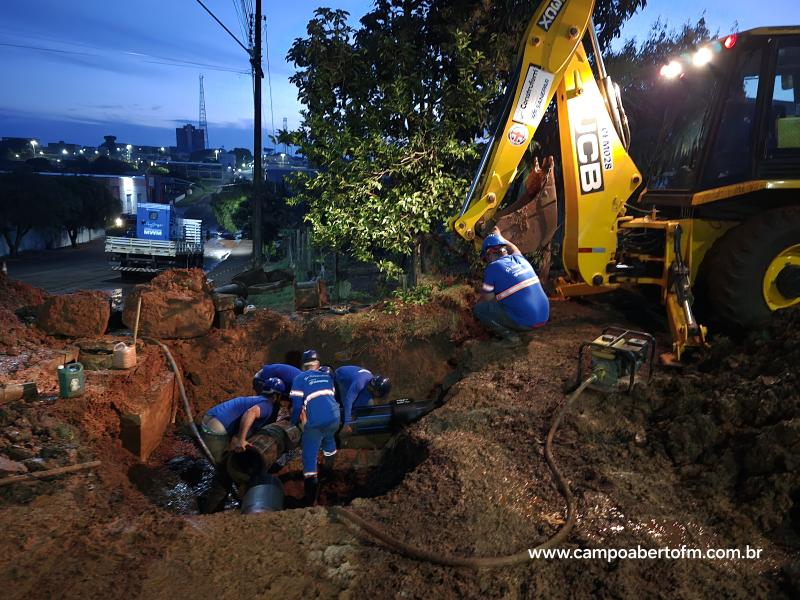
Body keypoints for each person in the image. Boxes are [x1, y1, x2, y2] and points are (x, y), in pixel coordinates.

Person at [197, 378, 286, 513]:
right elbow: (251, 412)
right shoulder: (267, 405)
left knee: (227, 465)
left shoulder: (258, 399)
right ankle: (210, 511)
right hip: (217, 426)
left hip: (213, 419)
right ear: (275, 396)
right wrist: (241, 439)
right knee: (225, 470)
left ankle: (217, 504)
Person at [473, 229, 549, 343]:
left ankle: (511, 338)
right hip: (544, 316)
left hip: (527, 321)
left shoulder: (493, 267)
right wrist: (500, 237)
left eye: (486, 258)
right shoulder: (519, 259)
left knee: (480, 309)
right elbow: (513, 248)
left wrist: (477, 302)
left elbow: (488, 299)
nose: (486, 261)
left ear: (489, 253)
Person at [290, 354, 340, 505]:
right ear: (317, 364)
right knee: (329, 439)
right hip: (335, 418)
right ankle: (328, 471)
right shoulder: (327, 377)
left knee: (309, 456)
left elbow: (297, 406)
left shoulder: (299, 378)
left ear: (303, 365)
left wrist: (294, 422)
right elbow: (329, 398)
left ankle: (310, 499)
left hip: (315, 422)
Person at [334, 366, 391, 433]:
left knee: (368, 404)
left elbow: (368, 394)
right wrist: (347, 423)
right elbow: (348, 401)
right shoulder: (360, 383)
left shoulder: (370, 381)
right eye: (371, 389)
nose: (371, 390)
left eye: (374, 391)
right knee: (345, 404)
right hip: (340, 378)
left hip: (353, 378)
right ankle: (341, 419)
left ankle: (350, 415)